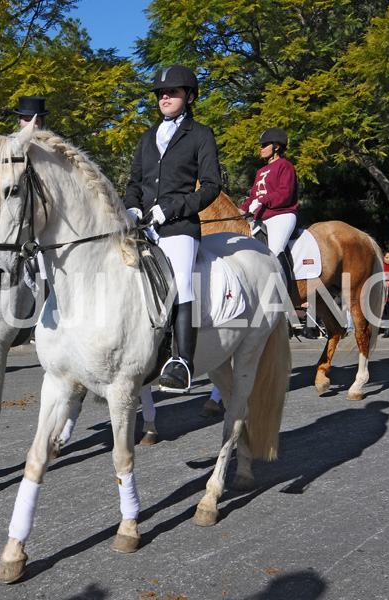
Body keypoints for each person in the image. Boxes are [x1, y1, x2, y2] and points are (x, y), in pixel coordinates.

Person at [124, 64, 223, 391]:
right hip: (143, 227)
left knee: (180, 281)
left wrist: (171, 209)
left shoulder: (200, 134)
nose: (165, 97)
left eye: (173, 92)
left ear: (190, 96)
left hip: (179, 227)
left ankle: (183, 362)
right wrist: (132, 205)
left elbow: (210, 186)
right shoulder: (147, 136)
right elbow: (134, 181)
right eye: (161, 93)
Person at [238, 127, 299, 284]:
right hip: (260, 218)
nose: (261, 148)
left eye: (265, 145)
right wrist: (242, 209)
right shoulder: (261, 171)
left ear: (276, 147)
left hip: (282, 215)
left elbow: (284, 194)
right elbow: (253, 197)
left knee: (275, 251)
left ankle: (286, 291)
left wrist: (262, 200)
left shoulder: (285, 166)